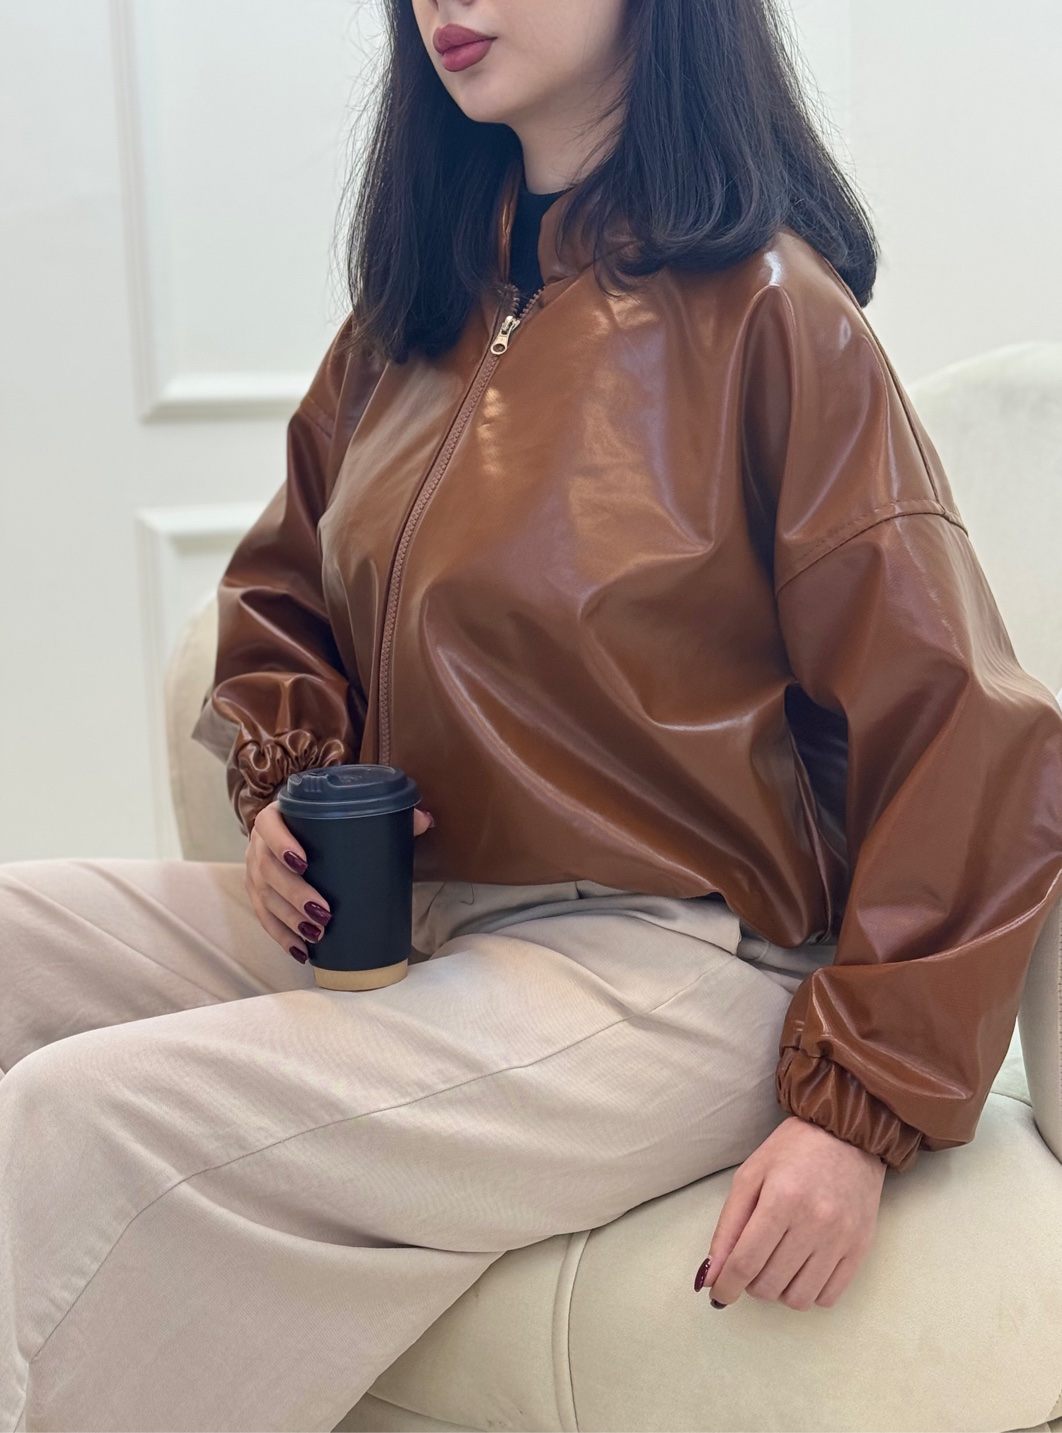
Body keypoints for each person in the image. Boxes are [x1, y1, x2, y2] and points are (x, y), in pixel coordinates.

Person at [3, 0, 1061, 1427]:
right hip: (405, 922)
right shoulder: (408, 321)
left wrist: (859, 1107)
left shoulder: (772, 312)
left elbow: (965, 730)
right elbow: (286, 591)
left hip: (672, 959)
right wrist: (286, 790)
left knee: (80, 1118)